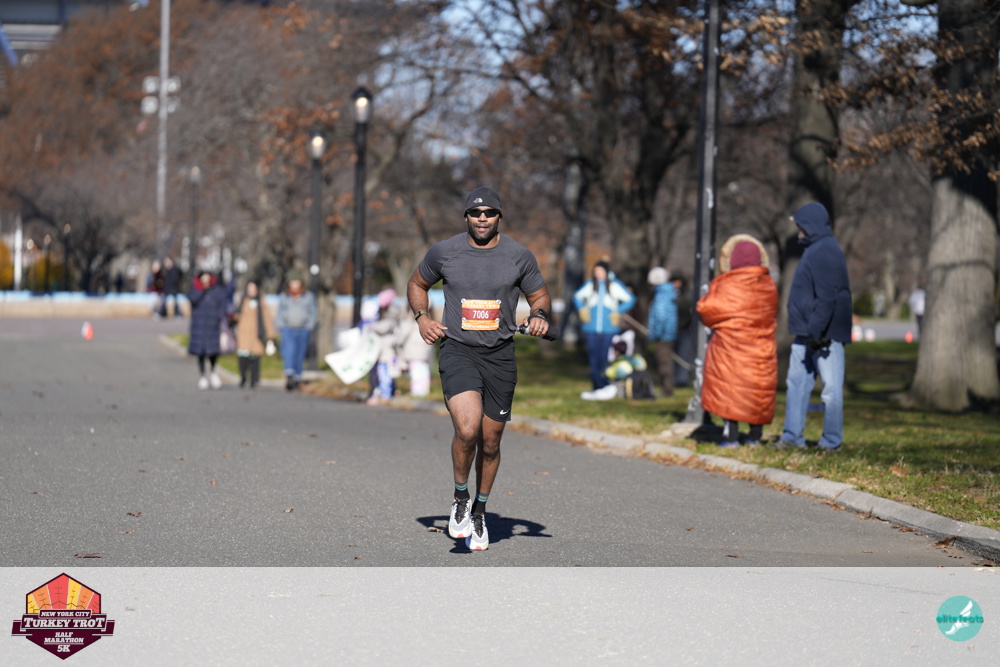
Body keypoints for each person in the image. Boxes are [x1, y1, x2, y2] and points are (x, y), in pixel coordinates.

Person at [407, 186, 551, 551]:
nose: (482, 218)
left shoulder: (518, 256)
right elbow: (417, 283)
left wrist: (539, 315)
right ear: (466, 217)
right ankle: (460, 498)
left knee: (490, 442)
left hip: (500, 355)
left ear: (499, 216)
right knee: (468, 429)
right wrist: (422, 317)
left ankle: (480, 512)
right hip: (458, 350)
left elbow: (539, 295)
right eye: (475, 213)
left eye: (489, 212)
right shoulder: (445, 251)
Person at [777, 202, 853, 452]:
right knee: (796, 384)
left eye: (801, 225)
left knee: (830, 389)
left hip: (824, 336)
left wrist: (816, 332)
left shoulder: (825, 251)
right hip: (806, 334)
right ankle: (792, 436)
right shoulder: (815, 249)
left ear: (810, 225)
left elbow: (827, 297)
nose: (798, 230)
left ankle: (831, 442)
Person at [696, 235, 779, 447]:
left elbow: (706, 310)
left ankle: (731, 437)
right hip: (761, 346)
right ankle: (754, 437)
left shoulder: (726, 283)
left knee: (730, 390)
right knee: (757, 392)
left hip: (730, 347)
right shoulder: (768, 284)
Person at [573, 260, 636, 394]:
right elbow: (577, 296)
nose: (598, 273)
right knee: (593, 358)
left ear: (607, 272)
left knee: (605, 358)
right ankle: (596, 386)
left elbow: (630, 299)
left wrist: (618, 310)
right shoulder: (590, 285)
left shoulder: (614, 285)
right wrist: (582, 308)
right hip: (591, 329)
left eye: (601, 271)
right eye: (596, 271)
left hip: (609, 329)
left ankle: (606, 385)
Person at [187, 269, 231, 390]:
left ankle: (213, 372)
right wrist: (201, 289)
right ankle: (202, 375)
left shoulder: (217, 290)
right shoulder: (195, 289)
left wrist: (219, 316)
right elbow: (192, 299)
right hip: (199, 326)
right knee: (200, 352)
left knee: (213, 351)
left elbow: (222, 304)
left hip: (213, 325)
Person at [274, 277, 317, 392]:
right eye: (292, 282)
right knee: (289, 352)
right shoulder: (285, 296)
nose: (294, 284)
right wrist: (281, 325)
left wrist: (309, 326)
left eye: (296, 282)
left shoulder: (308, 296)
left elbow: (312, 312)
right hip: (288, 329)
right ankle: (289, 376)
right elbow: (279, 312)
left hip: (303, 329)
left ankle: (297, 377)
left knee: (299, 354)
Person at [234, 281, 277, 389]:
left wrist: (270, 334)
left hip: (257, 334)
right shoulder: (242, 300)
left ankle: (254, 379)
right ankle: (243, 377)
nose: (251, 291)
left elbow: (267, 319)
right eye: (249, 289)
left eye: (253, 289)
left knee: (255, 358)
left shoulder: (261, 302)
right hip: (243, 333)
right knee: (243, 357)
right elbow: (236, 315)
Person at [646, 266, 678, 397]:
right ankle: (666, 388)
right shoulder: (668, 291)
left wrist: (655, 333)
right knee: (666, 361)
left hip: (663, 335)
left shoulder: (661, 294)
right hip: (668, 333)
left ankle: (667, 389)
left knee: (664, 362)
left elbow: (660, 316)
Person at [672, 271, 694, 387]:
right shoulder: (670, 294)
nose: (675, 284)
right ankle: (674, 379)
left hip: (685, 328)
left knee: (683, 354)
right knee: (672, 355)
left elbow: (686, 311)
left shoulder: (687, 294)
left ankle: (682, 379)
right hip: (672, 329)